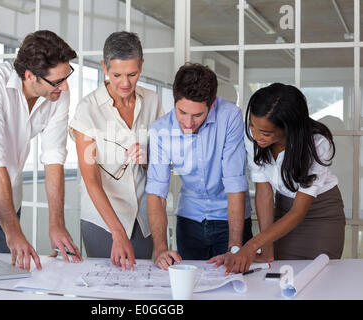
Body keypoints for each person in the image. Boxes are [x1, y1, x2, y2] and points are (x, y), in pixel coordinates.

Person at [0, 30, 83, 271]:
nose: (65, 87)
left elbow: (54, 157)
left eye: (67, 76)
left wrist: (57, 223)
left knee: (13, 268)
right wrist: (13, 232)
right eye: (57, 81)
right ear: (30, 75)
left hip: (9, 191)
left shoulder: (58, 93)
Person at [209, 83, 345, 275]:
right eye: (252, 127)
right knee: (281, 276)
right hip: (284, 209)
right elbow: (264, 193)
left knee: (318, 279)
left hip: (321, 214)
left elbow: (298, 211)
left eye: (265, 133)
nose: (255, 136)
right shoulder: (253, 136)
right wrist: (266, 249)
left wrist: (251, 245)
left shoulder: (317, 144)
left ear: (289, 128)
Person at [69, 31, 164, 271]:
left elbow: (163, 161)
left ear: (141, 65)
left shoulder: (152, 101)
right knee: (107, 290)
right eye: (117, 75)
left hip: (143, 219)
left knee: (141, 286)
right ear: (104, 67)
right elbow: (91, 180)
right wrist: (117, 233)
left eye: (132, 74)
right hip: (103, 223)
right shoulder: (87, 109)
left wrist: (147, 159)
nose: (125, 83)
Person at [146, 62, 253, 270]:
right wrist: (160, 248)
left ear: (211, 105)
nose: (188, 123)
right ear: (175, 100)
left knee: (232, 284)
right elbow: (157, 193)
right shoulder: (160, 130)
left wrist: (234, 248)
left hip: (229, 220)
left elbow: (234, 183)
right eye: (182, 112)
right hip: (189, 222)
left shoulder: (230, 116)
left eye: (197, 115)